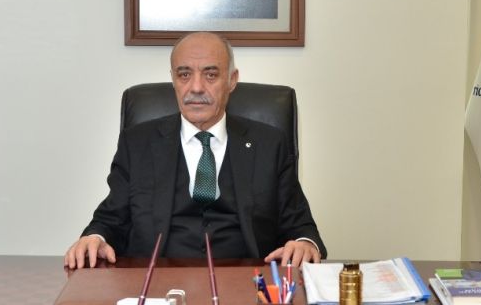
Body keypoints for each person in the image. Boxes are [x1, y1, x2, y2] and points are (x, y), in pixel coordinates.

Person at [65, 32, 326, 269]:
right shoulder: (137, 143)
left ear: (232, 80)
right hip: (156, 281)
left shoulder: (269, 144)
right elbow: (111, 219)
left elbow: (300, 226)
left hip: (246, 281)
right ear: (173, 79)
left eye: (211, 75)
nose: (197, 87)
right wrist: (95, 238)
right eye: (184, 74)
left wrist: (304, 243)